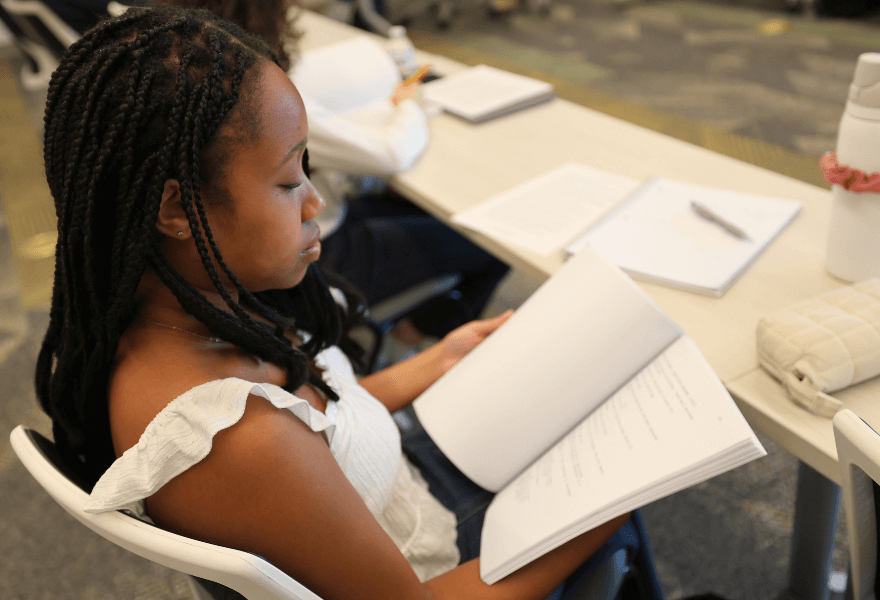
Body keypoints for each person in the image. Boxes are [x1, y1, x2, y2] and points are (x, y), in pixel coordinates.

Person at [37, 6, 661, 599]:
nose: (314, 203)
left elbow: (325, 423)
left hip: (401, 488)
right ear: (175, 209)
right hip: (433, 550)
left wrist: (441, 358)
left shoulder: (191, 310)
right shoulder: (235, 437)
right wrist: (608, 511)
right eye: (288, 181)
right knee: (624, 488)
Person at [153, 0, 511, 344]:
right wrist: (407, 107)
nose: (316, 200)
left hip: (307, 241)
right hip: (325, 251)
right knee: (495, 240)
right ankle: (421, 329)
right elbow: (387, 155)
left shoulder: (183, 81)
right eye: (290, 181)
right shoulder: (253, 107)